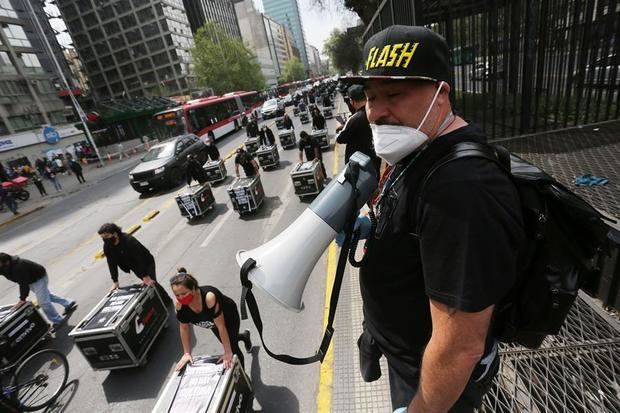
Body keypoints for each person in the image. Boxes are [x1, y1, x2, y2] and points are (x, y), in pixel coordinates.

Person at [342, 26, 525, 412]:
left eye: (394, 94)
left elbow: (459, 347)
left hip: (432, 383)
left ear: (441, 94)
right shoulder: (422, 146)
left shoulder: (462, 189)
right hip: (408, 357)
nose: (376, 111)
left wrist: (420, 409)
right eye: (371, 96)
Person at [170, 268, 252, 370]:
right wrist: (187, 353)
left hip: (228, 317)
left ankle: (243, 380)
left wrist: (227, 351)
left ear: (194, 288)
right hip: (212, 323)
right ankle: (244, 336)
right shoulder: (180, 305)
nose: (181, 298)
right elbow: (184, 327)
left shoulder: (209, 298)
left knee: (232, 349)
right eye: (177, 295)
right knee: (230, 340)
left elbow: (221, 326)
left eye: (184, 293)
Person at [98, 223, 173, 305]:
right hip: (133, 266)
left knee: (151, 282)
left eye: (106, 236)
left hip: (146, 262)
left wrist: (145, 276)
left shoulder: (129, 241)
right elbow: (111, 263)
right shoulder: (107, 246)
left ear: (115, 234)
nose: (104, 239)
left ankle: (167, 301)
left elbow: (139, 258)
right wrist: (115, 281)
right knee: (151, 283)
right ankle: (162, 299)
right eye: (102, 237)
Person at [0, 253, 77, 328]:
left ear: (7, 262)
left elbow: (23, 284)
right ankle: (68, 303)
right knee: (46, 296)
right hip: (30, 280)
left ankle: (57, 320)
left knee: (43, 302)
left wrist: (22, 299)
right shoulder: (4, 266)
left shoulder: (19, 266)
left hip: (38, 278)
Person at [336, 84, 381, 174]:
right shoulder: (375, 111)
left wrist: (342, 127)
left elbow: (340, 139)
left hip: (359, 166)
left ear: (352, 101)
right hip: (374, 160)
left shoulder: (355, 118)